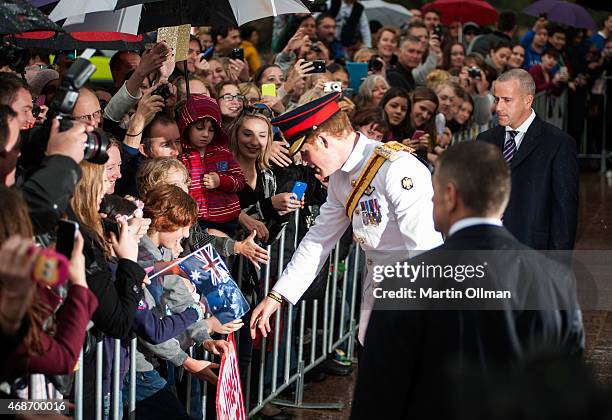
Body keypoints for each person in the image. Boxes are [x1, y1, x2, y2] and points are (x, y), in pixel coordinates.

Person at [351, 140, 584, 420]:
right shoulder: (554, 280)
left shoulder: (404, 281)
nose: (432, 201)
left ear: (450, 195)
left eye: (433, 192)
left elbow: (377, 398)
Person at [248, 92, 442, 344]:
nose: (305, 162)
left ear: (323, 140)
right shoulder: (340, 177)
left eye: (305, 152)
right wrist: (278, 295)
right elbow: (319, 239)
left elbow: (424, 247)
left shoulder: (396, 167)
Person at [477, 69, 578, 250]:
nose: (498, 107)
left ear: (527, 100)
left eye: (507, 100)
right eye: (496, 99)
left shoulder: (559, 143)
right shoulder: (485, 140)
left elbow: (564, 214)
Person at [178, 94, 245, 237]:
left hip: (227, 220)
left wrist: (221, 181)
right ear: (187, 125)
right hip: (196, 221)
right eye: (199, 128)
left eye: (211, 129)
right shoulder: (182, 157)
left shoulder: (223, 153)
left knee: (223, 256)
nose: (205, 134)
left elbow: (240, 181)